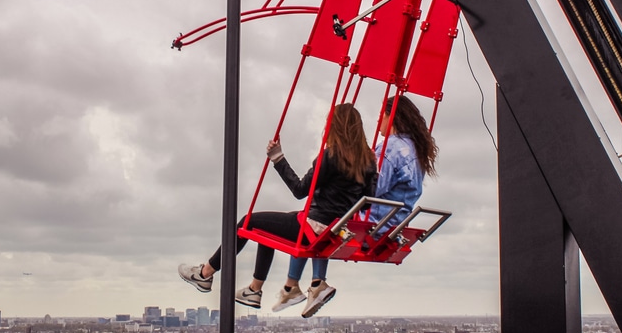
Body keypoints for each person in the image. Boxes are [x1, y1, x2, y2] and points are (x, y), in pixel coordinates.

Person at [178, 103, 377, 313]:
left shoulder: (331, 156)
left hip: (313, 227)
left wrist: (278, 159)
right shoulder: (369, 161)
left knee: (248, 222)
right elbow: (369, 201)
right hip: (334, 231)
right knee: (267, 229)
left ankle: (205, 273)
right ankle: (253, 290)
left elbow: (300, 189)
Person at [271, 94, 439, 316]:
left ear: (393, 118)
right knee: (319, 217)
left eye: (382, 116)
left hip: (372, 224)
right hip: (394, 226)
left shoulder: (390, 149)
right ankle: (310, 284)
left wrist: (340, 171)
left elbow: (369, 188)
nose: (379, 121)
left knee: (314, 218)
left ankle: (297, 285)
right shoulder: (416, 151)